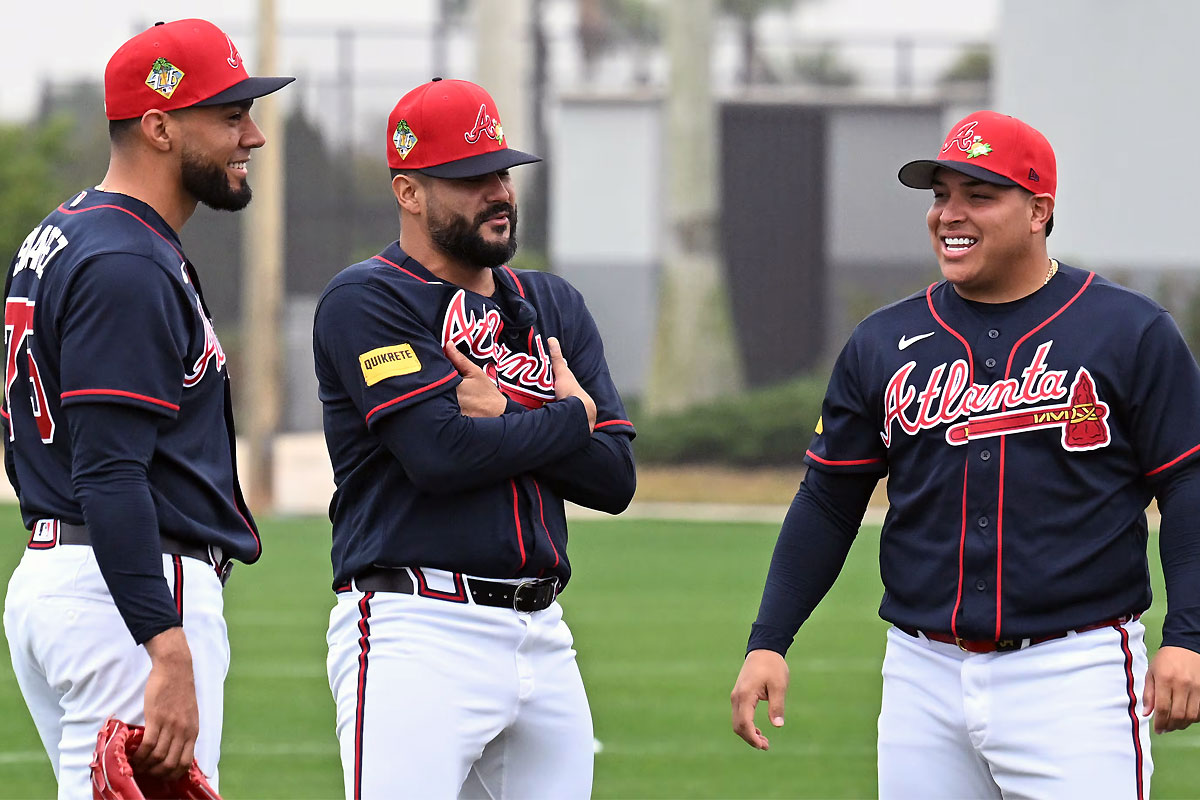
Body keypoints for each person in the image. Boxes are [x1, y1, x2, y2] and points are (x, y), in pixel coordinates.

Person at [730, 110, 1200, 798]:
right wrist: (769, 638)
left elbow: (1187, 486)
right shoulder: (883, 340)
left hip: (1075, 675)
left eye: (980, 195)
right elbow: (829, 500)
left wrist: (1187, 636)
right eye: (940, 194)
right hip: (922, 675)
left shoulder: (1128, 331)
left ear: (1039, 211)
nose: (951, 213)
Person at [312, 77, 636, 799]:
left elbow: (614, 478)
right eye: (468, 177)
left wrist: (507, 419)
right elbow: (438, 455)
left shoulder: (551, 303)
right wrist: (564, 417)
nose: (497, 190)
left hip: (543, 632)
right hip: (416, 628)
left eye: (500, 170)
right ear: (409, 192)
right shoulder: (368, 299)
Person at [1, 19, 292, 798]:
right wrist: (164, 643)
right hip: (125, 592)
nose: (253, 137)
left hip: (67, 573)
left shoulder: (65, 233)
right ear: (159, 126)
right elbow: (108, 469)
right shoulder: (127, 261)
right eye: (230, 116)